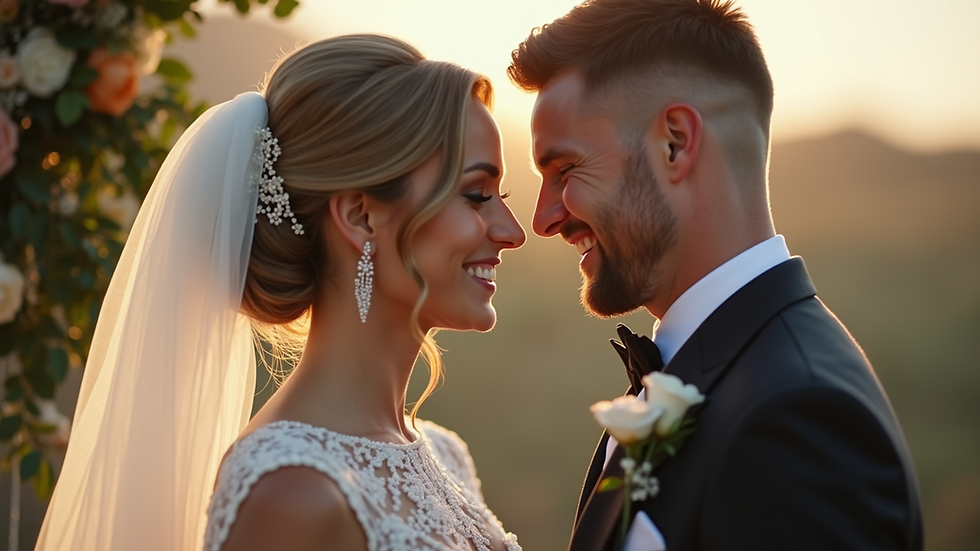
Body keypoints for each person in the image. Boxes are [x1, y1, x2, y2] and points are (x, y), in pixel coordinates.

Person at [35, 35, 525, 551]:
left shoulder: (445, 456)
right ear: (360, 217)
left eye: (502, 196)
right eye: (476, 196)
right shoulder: (291, 492)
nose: (513, 231)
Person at [508, 0, 923, 550]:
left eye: (565, 170)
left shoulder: (796, 420)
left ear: (675, 142)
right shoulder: (708, 373)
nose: (544, 219)